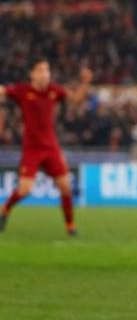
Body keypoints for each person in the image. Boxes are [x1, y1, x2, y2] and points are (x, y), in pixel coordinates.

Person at [0, 60, 92, 236]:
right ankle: (4, 209)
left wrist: (85, 82)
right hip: (32, 148)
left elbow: (76, 99)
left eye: (47, 70)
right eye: (41, 70)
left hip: (51, 147)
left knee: (65, 187)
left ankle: (70, 226)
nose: (45, 74)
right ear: (32, 74)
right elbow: (3, 91)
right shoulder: (23, 91)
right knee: (25, 189)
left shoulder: (54, 91)